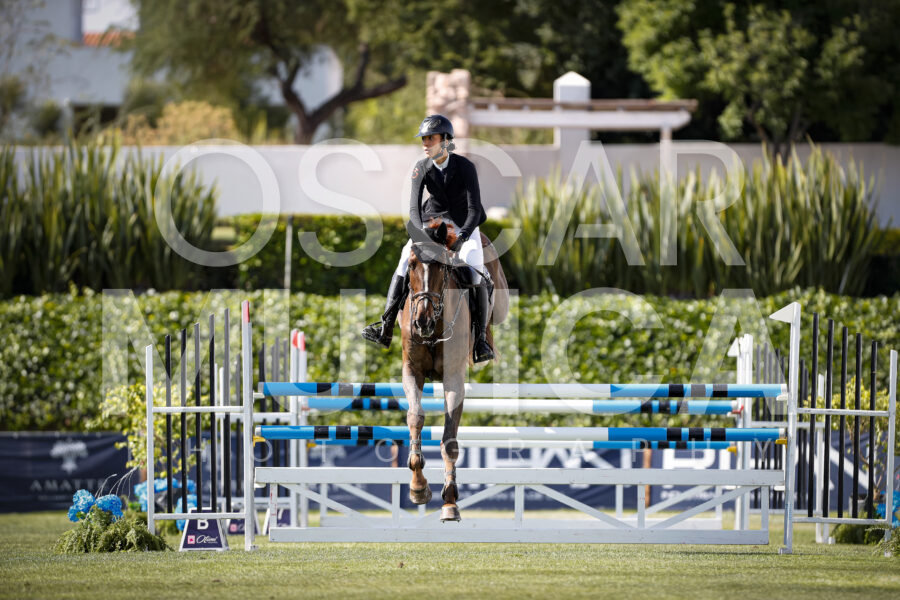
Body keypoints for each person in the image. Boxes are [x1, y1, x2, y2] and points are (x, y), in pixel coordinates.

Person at [361, 114, 494, 363]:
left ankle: (480, 341)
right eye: (423, 139)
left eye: (430, 138)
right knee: (404, 260)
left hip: (464, 224)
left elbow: (475, 209)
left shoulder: (465, 167)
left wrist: (462, 237)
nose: (425, 143)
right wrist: (420, 238)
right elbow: (413, 210)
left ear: (445, 141)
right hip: (432, 224)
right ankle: (385, 326)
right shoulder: (420, 167)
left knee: (475, 269)